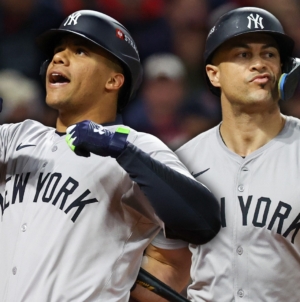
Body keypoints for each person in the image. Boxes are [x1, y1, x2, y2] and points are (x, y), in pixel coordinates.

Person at [0, 9, 221, 302]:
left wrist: (123, 151)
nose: (59, 58)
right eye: (57, 51)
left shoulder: (135, 145)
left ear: (114, 81)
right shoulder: (18, 136)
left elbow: (203, 221)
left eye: (79, 51)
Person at [132, 6, 300, 302]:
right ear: (214, 74)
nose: (259, 64)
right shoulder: (184, 161)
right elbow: (169, 262)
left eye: (269, 55)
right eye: (243, 55)